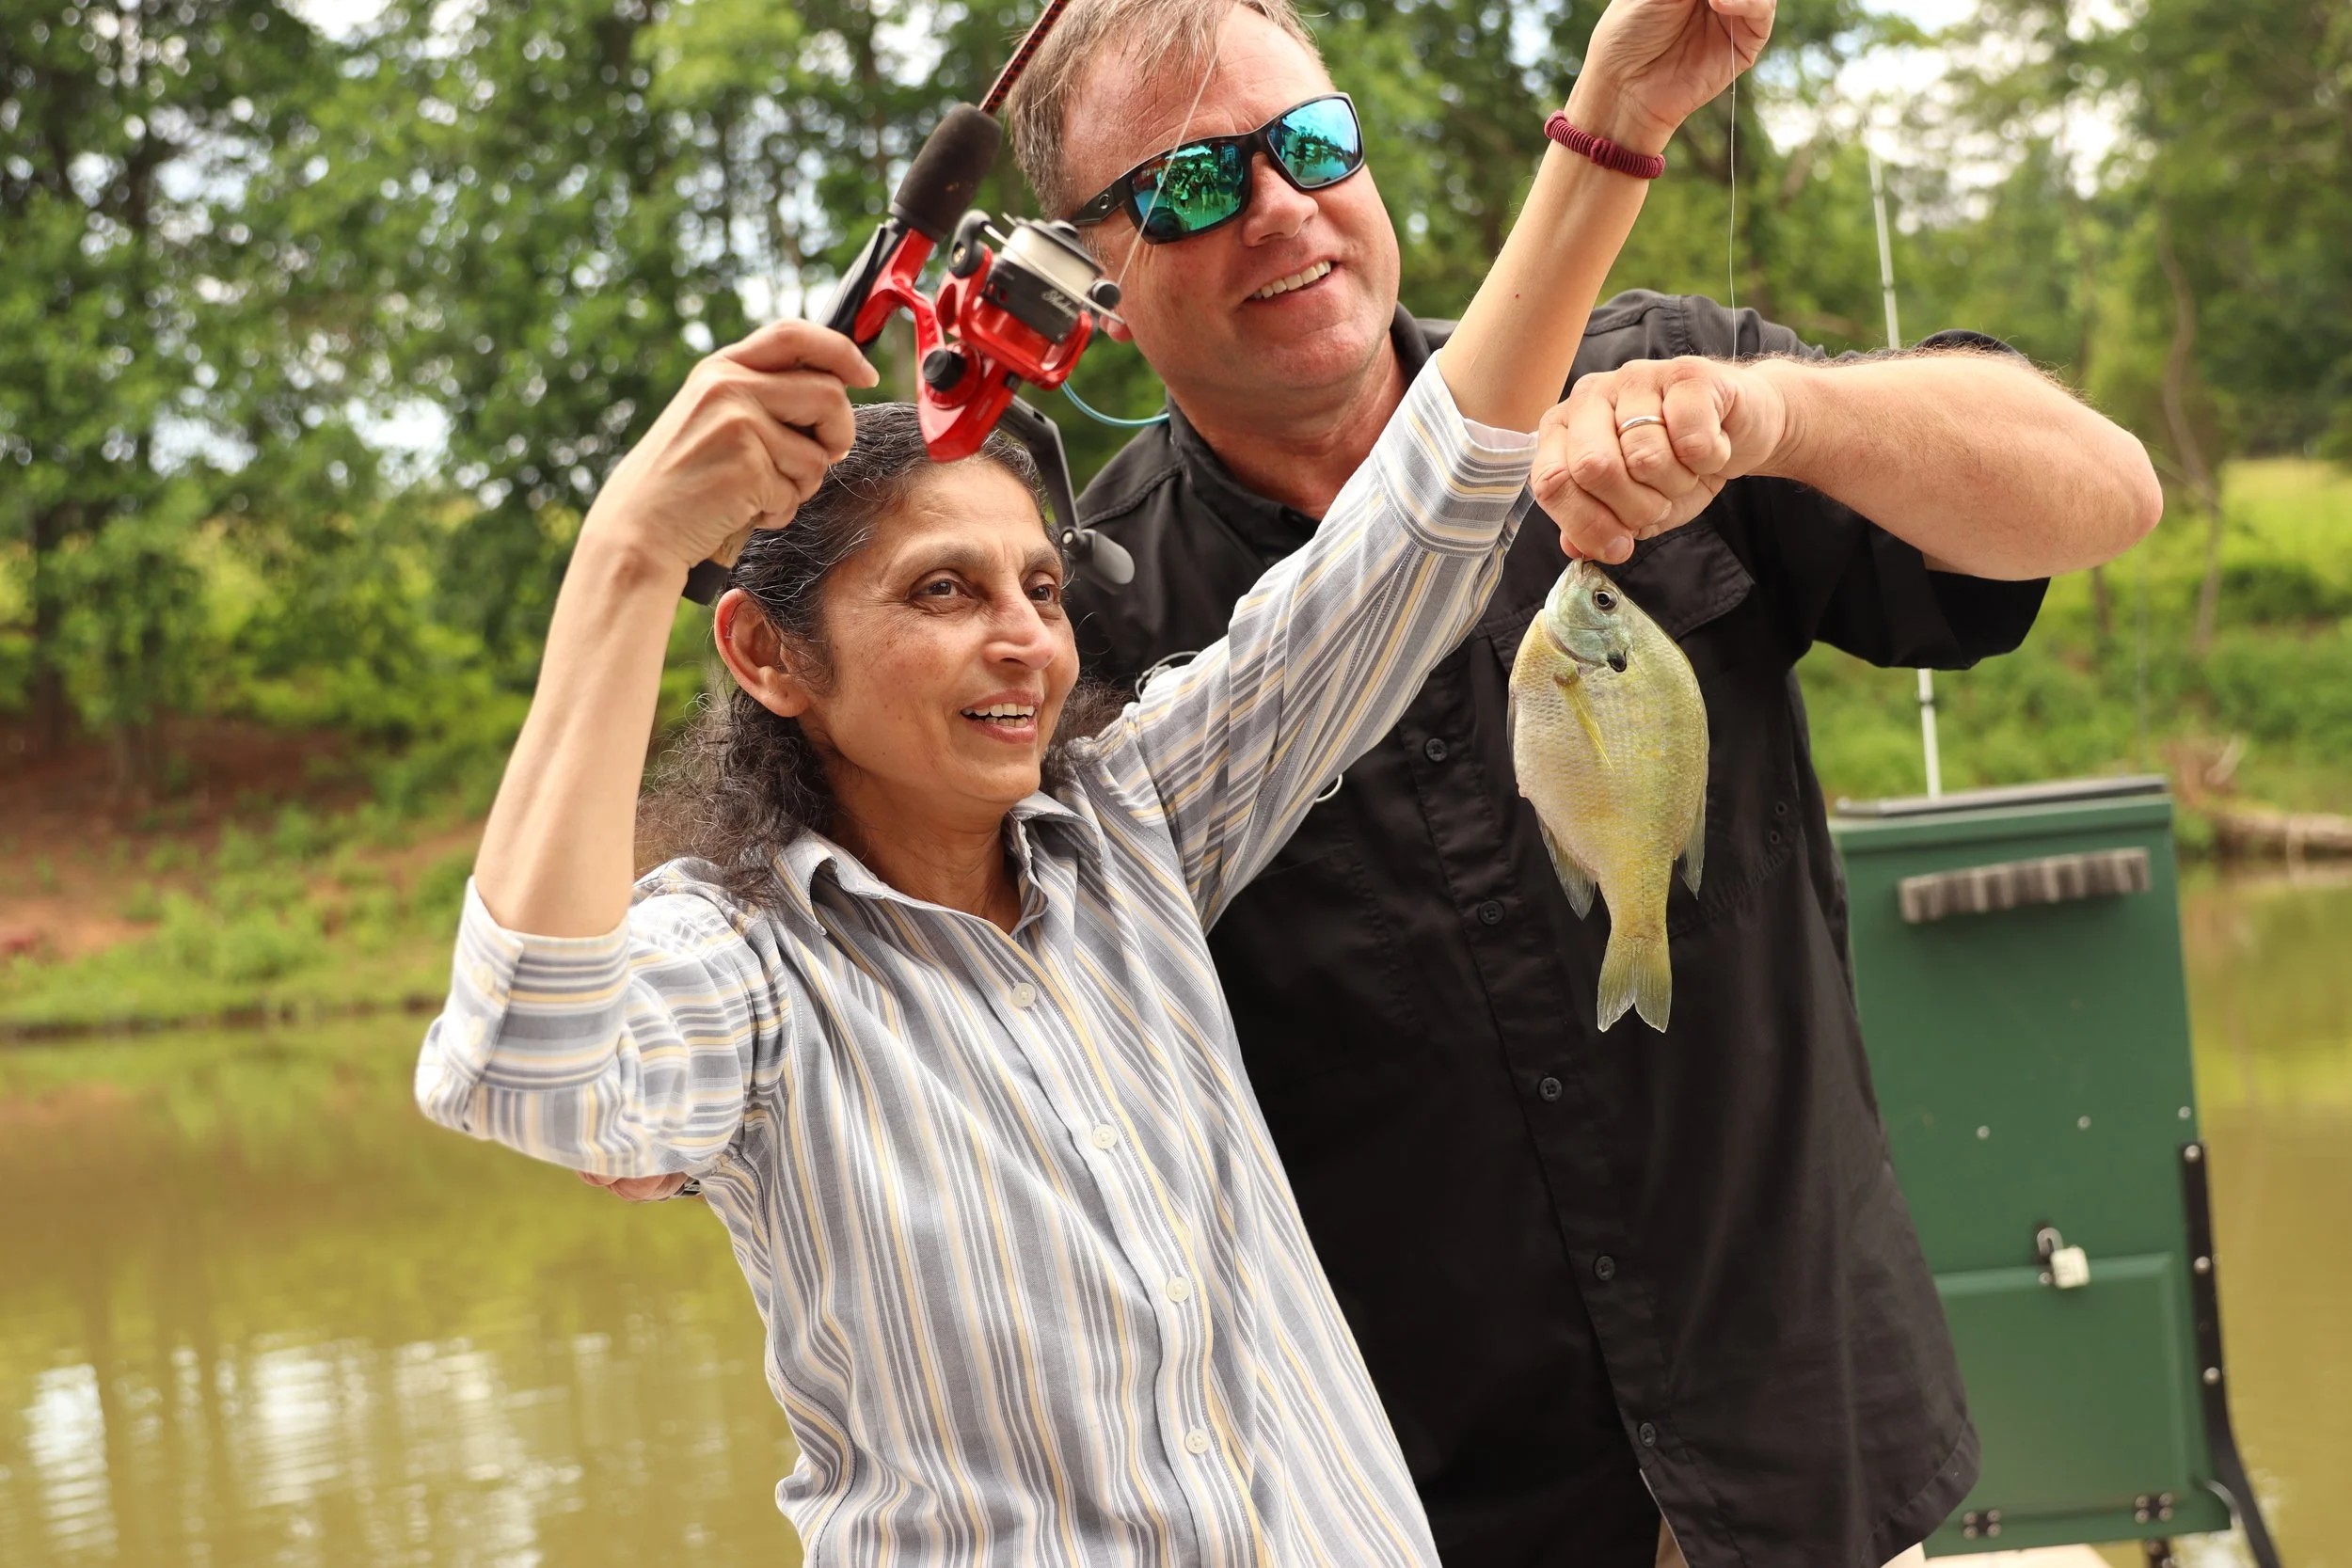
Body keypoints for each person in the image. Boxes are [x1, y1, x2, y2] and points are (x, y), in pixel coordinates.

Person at [411, 3, 1765, 1560]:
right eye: (939, 593)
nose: (1021, 646)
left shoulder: (1131, 828)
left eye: (1043, 592)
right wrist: (627, 556)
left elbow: (1427, 513)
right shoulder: (744, 968)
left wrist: (1617, 115)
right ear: (769, 656)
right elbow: (530, 1067)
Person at [970, 3, 2153, 1566]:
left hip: (1812, 1465)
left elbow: (2101, 494)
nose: (1278, 205)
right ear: (1093, 281)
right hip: (1423, 1513)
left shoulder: (1660, 385)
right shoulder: (1084, 627)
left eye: (1311, 145)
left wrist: (1780, 419)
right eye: (1190, 185)